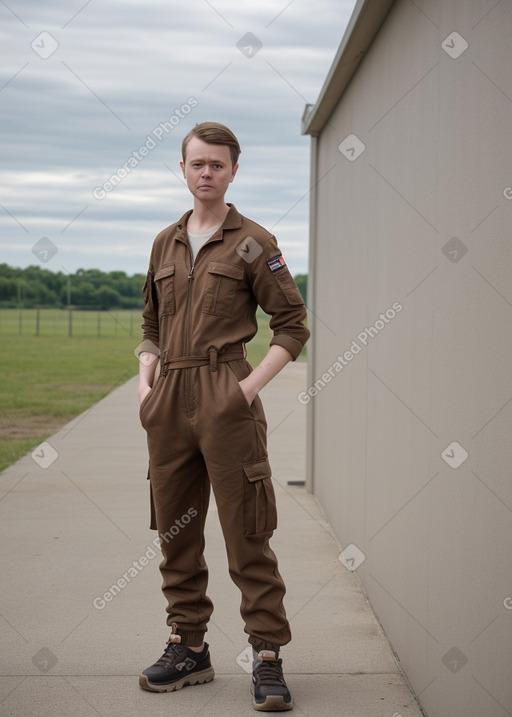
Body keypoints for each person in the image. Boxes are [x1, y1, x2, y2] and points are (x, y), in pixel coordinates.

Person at [137, 121, 309, 712]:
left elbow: (292, 326)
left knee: (247, 531)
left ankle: (266, 656)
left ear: (235, 170)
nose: (206, 172)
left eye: (217, 164)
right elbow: (152, 326)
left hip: (225, 394)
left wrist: (247, 388)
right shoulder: (164, 242)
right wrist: (145, 379)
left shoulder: (254, 242)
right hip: (168, 400)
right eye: (196, 163)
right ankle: (188, 647)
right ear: (182, 171)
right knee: (176, 531)